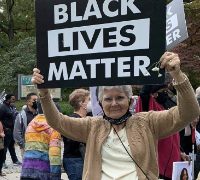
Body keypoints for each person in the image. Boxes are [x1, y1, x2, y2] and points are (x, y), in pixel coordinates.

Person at [31, 52, 200, 179]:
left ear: (130, 100)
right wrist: (44, 93)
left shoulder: (147, 122)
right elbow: (57, 121)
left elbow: (188, 113)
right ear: (100, 103)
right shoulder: (92, 126)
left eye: (119, 97)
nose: (114, 103)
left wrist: (177, 75)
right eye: (108, 99)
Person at [20, 99, 62, 180]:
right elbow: (54, 155)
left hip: (27, 169)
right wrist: (55, 176)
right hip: (44, 172)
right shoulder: (53, 127)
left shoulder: (30, 125)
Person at [62, 88, 90, 180]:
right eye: (89, 100)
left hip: (82, 158)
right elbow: (71, 141)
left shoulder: (88, 118)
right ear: (81, 103)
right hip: (75, 159)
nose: (91, 102)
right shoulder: (73, 120)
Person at [14, 92, 38, 158]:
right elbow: (17, 131)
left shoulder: (39, 114)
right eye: (34, 100)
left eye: (37, 100)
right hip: (26, 147)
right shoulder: (21, 115)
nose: (36, 102)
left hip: (39, 146)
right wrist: (23, 145)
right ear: (28, 102)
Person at [0, 94, 21, 168]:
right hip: (6, 130)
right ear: (8, 99)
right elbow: (0, 119)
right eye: (12, 98)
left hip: (13, 130)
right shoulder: (3, 107)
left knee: (11, 146)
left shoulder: (13, 107)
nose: (14, 100)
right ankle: (2, 161)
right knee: (4, 147)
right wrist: (3, 128)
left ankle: (15, 160)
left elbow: (16, 115)